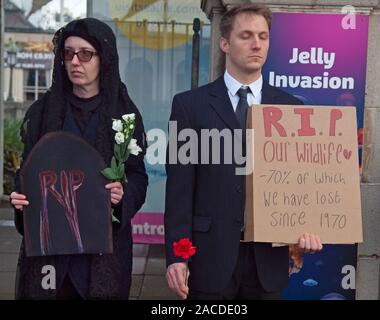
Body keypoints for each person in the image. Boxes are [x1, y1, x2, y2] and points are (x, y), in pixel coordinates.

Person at [164, 4, 323, 300]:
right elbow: (179, 191)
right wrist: (176, 255)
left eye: (263, 36)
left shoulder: (291, 108)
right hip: (209, 258)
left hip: (268, 261)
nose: (256, 44)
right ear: (224, 43)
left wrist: (308, 227)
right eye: (246, 35)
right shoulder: (189, 106)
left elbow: (300, 186)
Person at [10, 18, 148, 300]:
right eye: (68, 53)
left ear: (103, 59)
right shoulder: (42, 113)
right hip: (50, 259)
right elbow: (27, 170)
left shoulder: (124, 116)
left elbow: (138, 177)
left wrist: (123, 195)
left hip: (102, 257)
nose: (75, 61)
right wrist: (20, 196)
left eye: (85, 54)